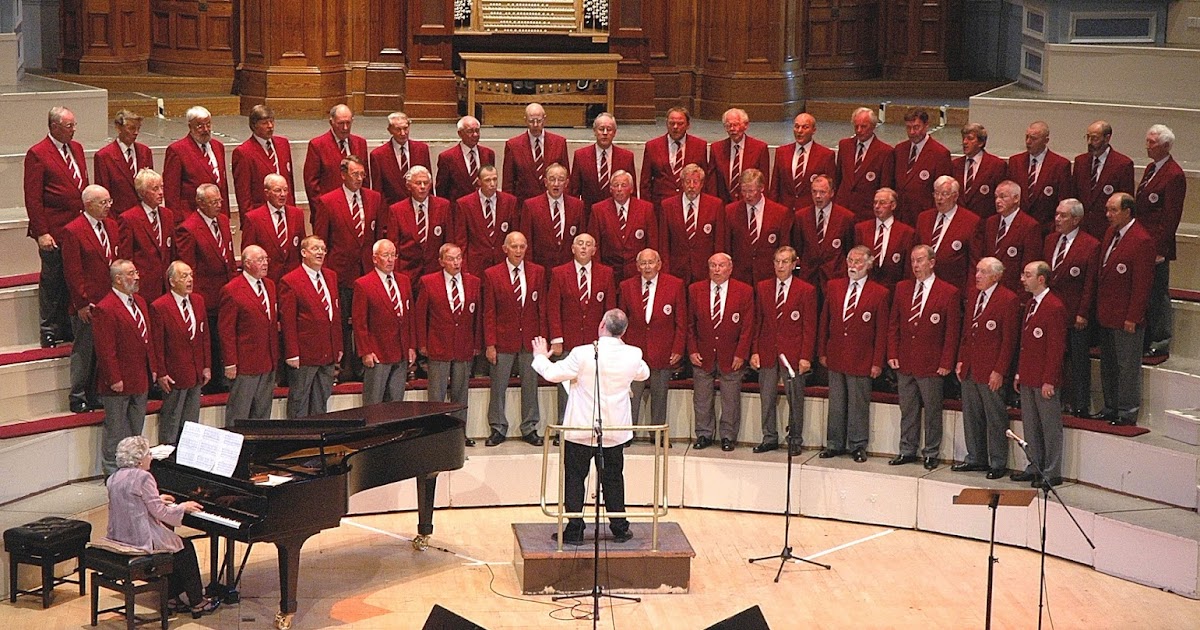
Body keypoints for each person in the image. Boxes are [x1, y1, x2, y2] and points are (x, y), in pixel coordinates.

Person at [531, 309, 649, 545]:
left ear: (602, 325)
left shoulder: (582, 353)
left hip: (581, 429)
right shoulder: (634, 354)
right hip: (613, 431)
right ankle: (619, 528)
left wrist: (541, 357)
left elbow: (552, 374)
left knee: (575, 478)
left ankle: (575, 530)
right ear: (624, 331)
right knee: (613, 479)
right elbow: (643, 373)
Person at [105, 436, 218, 616]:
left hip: (121, 535)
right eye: (149, 454)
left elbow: (132, 502)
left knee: (175, 545)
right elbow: (161, 513)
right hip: (140, 538)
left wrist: (157, 498)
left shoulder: (114, 477)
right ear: (139, 460)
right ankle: (197, 601)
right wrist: (183, 507)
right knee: (184, 548)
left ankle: (172, 598)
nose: (151, 457)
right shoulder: (144, 477)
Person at [886, 245, 961, 470]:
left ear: (932, 262)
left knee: (932, 410)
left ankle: (931, 452)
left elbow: (951, 332)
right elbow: (894, 324)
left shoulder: (948, 292)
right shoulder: (902, 288)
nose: (915, 265)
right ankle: (907, 449)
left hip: (931, 362)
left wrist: (946, 362)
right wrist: (892, 352)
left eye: (920, 260)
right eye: (912, 261)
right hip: (906, 359)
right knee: (907, 409)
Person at [315, 156, 383, 381]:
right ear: (343, 175)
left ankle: (367, 365)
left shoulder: (374, 198)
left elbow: (377, 236)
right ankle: (343, 368)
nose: (359, 178)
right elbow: (322, 240)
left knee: (368, 321)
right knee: (343, 322)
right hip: (341, 273)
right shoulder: (327, 202)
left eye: (362, 174)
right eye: (355, 174)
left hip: (368, 273)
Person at [25, 106, 89, 348]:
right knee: (53, 281)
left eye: (74, 125)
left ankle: (67, 326)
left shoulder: (77, 149)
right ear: (54, 127)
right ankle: (49, 329)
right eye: (69, 126)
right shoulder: (38, 153)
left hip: (77, 228)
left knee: (73, 278)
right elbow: (33, 198)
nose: (74, 130)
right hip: (53, 230)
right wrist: (42, 232)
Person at [818, 246, 889, 462]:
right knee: (836, 403)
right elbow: (825, 321)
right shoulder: (834, 286)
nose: (853, 266)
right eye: (850, 261)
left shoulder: (879, 293)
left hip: (862, 357)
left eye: (858, 262)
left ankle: (857, 445)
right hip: (837, 354)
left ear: (868, 265)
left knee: (858, 403)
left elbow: (881, 331)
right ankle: (834, 443)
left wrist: (877, 362)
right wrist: (822, 350)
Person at [1091, 193, 1154, 426]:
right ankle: (1111, 406)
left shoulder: (1142, 240)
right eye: (1107, 210)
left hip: (1126, 317)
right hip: (1107, 313)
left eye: (1113, 210)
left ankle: (1127, 411)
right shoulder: (1110, 234)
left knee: (1127, 367)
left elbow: (1142, 284)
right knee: (1108, 364)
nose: (1108, 215)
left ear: (1127, 212)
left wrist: (1133, 317)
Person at [953, 257, 1019, 478]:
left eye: (983, 272)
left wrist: (999, 370)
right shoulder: (974, 295)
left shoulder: (1008, 299)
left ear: (996, 276)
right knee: (971, 415)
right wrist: (961, 360)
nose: (977, 276)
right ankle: (976, 457)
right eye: (977, 271)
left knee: (995, 417)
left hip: (991, 369)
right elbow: (966, 331)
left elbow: (1008, 340)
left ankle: (998, 462)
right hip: (971, 366)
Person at [483, 232, 547, 446]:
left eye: (522, 246)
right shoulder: (492, 274)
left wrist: (542, 340)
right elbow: (489, 312)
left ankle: (530, 427)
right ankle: (498, 427)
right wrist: (490, 343)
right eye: (514, 246)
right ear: (505, 249)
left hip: (530, 339)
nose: (518, 251)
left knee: (531, 385)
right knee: (498, 386)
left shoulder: (537, 272)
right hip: (503, 339)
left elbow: (542, 308)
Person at [751, 246, 816, 455]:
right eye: (777, 262)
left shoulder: (806, 290)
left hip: (793, 354)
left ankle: (795, 439)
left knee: (795, 399)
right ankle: (769, 437)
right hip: (768, 350)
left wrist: (805, 356)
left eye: (785, 262)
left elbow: (809, 327)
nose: (780, 266)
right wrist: (755, 351)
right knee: (767, 397)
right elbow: (757, 322)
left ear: (794, 264)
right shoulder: (763, 287)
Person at [61, 185, 120, 414]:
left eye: (109, 201)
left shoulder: (111, 226)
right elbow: (73, 271)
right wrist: (82, 303)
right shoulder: (74, 231)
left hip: (110, 301)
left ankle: (96, 393)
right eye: (103, 202)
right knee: (85, 351)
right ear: (88, 204)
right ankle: (78, 395)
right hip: (88, 302)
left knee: (105, 351)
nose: (108, 206)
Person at [416, 244, 482, 447]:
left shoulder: (473, 282)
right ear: (441, 261)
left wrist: (476, 342)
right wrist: (422, 343)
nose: (456, 262)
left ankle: (459, 435)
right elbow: (421, 315)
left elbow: (478, 317)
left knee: (460, 394)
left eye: (459, 258)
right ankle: (434, 435)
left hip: (463, 345)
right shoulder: (428, 282)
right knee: (437, 394)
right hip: (438, 344)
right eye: (451, 259)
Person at [688, 252, 754, 451]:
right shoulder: (695, 290)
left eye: (721, 265)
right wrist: (692, 350)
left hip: (731, 355)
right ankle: (704, 434)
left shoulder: (744, 291)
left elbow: (747, 327)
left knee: (730, 399)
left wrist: (741, 353)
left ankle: (728, 436)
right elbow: (689, 324)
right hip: (703, 353)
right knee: (701, 398)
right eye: (713, 265)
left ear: (730, 268)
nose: (717, 269)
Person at [547, 233, 616, 424]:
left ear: (594, 250)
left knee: (594, 385)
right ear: (573, 248)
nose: (584, 247)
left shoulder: (606, 273)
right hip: (569, 339)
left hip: (595, 342)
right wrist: (556, 339)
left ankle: (593, 424)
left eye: (588, 244)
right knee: (566, 385)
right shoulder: (559, 273)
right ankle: (565, 426)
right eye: (580, 243)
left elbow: (610, 310)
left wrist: (609, 340)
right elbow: (553, 308)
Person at [1011, 261, 1068, 488]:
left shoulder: (1054, 306)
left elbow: (1056, 348)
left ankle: (1052, 471)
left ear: (1041, 279)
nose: (1022, 279)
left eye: (1027, 275)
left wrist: (1049, 380)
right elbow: (1025, 343)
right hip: (1028, 375)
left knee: (1049, 426)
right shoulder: (1031, 304)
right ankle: (1034, 466)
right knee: (1031, 426)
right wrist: (1019, 373)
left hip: (1044, 379)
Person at [619, 249, 686, 440]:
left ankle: (657, 435)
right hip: (634, 352)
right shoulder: (626, 286)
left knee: (660, 395)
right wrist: (622, 348)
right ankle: (627, 434)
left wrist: (678, 348)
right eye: (643, 263)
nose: (647, 267)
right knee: (631, 395)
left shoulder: (675, 285)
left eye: (651, 262)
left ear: (659, 264)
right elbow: (621, 321)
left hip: (663, 350)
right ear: (637, 266)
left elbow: (681, 322)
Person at [175, 184, 237, 393]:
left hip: (226, 291)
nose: (218, 205)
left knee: (226, 335)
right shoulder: (188, 229)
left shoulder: (224, 221)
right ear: (200, 203)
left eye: (220, 201)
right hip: (206, 295)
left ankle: (226, 376)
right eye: (213, 202)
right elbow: (188, 267)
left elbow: (228, 257)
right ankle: (213, 382)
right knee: (211, 339)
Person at [94, 260, 153, 474]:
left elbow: (147, 339)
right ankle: (111, 472)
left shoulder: (140, 302)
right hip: (118, 381)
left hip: (140, 378)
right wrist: (114, 378)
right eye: (131, 273)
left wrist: (153, 368)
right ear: (118, 278)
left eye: (136, 272)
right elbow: (105, 349)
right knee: (115, 430)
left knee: (135, 429)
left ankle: (133, 470)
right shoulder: (105, 308)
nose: (137, 277)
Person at [1045, 199, 1100, 417]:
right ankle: (1055, 400)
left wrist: (1082, 313)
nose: (1057, 219)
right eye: (1056, 214)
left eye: (1063, 216)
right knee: (1053, 358)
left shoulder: (1090, 244)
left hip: (1074, 312)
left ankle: (1080, 404)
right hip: (1052, 312)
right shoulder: (1050, 240)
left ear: (1076, 220)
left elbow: (1090, 284)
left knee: (1078, 360)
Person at [1137, 124, 1186, 357]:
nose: (1147, 146)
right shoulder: (1151, 169)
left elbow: (1171, 216)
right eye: (1147, 141)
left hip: (1157, 245)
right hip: (1143, 242)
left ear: (1166, 146)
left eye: (1152, 142)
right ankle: (1146, 336)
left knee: (1157, 294)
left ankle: (1160, 339)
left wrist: (1161, 249)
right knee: (1144, 292)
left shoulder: (1174, 174)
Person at [279, 236, 342, 418]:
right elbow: (288, 321)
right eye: (315, 248)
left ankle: (319, 434)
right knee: (299, 401)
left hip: (328, 351)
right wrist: (292, 353)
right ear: (304, 253)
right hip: (305, 354)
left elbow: (335, 313)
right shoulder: (290, 281)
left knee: (321, 401)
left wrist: (338, 346)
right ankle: (297, 435)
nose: (320, 252)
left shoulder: (331, 276)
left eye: (323, 249)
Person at [149, 261, 211, 445]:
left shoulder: (198, 301)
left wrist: (206, 366)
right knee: (172, 420)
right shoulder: (160, 306)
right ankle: (168, 455)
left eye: (191, 275)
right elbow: (158, 344)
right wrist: (161, 372)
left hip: (196, 372)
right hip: (174, 374)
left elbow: (204, 336)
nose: (190, 279)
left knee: (191, 423)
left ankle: (188, 454)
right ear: (172, 281)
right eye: (184, 276)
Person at [219, 245, 279, 425]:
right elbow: (226, 330)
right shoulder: (232, 290)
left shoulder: (270, 285)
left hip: (268, 361)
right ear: (246, 263)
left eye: (266, 259)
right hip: (245, 363)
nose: (265, 263)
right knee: (240, 414)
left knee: (262, 414)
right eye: (260, 260)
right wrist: (230, 362)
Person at [353, 239, 416, 405]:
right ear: (375, 258)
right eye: (386, 255)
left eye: (393, 255)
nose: (390, 259)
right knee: (374, 402)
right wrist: (366, 351)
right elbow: (360, 323)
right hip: (377, 353)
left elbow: (410, 316)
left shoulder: (404, 281)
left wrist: (411, 346)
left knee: (396, 403)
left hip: (401, 351)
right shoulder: (363, 284)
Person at [660, 164, 726, 286]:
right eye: (687, 182)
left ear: (701, 184)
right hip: (677, 269)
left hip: (704, 269)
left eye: (695, 182)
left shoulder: (715, 205)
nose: (691, 186)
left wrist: (717, 268)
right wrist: (666, 270)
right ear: (682, 183)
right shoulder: (667, 206)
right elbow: (664, 243)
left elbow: (719, 242)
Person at [388, 165, 455, 286]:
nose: (423, 187)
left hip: (436, 272)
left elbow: (449, 241)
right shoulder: (397, 210)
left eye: (426, 183)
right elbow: (394, 245)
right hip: (408, 273)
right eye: (418, 183)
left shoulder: (443, 206)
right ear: (409, 186)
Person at [588, 170, 658, 285]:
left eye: (623, 185)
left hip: (637, 273)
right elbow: (595, 246)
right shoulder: (598, 210)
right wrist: (599, 273)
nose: (619, 189)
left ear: (631, 189)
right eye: (616, 185)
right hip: (610, 272)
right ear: (611, 189)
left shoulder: (646, 209)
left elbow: (652, 243)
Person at [915, 176, 982, 295]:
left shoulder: (971, 221)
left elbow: (974, 261)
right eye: (936, 193)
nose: (939, 198)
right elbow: (915, 251)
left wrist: (971, 292)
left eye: (944, 194)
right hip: (924, 284)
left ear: (955, 196)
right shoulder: (924, 218)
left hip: (953, 287)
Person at [305, 104, 369, 226]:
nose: (345, 128)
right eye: (340, 123)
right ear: (331, 122)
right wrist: (323, 210)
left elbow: (365, 179)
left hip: (356, 211)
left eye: (348, 123)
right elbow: (311, 184)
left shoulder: (360, 143)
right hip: (329, 213)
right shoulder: (317, 145)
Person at [726, 169, 792, 286]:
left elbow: (784, 247)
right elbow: (727, 245)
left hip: (768, 276)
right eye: (744, 191)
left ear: (762, 188)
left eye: (751, 191)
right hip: (740, 276)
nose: (747, 195)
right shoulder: (730, 211)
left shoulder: (780, 213)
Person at [239, 173, 307, 287]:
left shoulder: (297, 214)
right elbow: (248, 253)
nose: (283, 194)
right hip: (268, 280)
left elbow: (301, 248)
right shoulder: (253, 218)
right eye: (277, 190)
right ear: (267, 193)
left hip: (293, 280)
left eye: (285, 190)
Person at [118, 169, 174, 304]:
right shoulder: (129, 219)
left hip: (166, 287)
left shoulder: (168, 215)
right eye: (155, 189)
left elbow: (172, 251)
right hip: (144, 287)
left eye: (161, 187)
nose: (161, 192)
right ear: (142, 192)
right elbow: (126, 256)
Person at [163, 106, 229, 219]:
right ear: (190, 126)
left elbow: (223, 183)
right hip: (191, 216)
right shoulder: (177, 150)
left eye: (208, 124)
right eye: (200, 126)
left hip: (217, 215)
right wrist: (177, 221)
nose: (206, 129)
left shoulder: (218, 147)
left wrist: (225, 215)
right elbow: (171, 191)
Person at [792, 174, 854, 294]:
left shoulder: (845, 217)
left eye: (822, 192)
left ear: (832, 193)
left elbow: (848, 248)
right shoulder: (801, 216)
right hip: (809, 277)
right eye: (814, 192)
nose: (818, 196)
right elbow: (798, 247)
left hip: (834, 276)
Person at [1073, 120, 1134, 240]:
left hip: (1107, 229)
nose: (1090, 142)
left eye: (1094, 138)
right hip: (1082, 229)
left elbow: (1125, 200)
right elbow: (1074, 195)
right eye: (1088, 137)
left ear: (1107, 138)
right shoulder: (1080, 161)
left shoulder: (1122, 164)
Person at [892, 108, 953, 226]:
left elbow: (942, 190)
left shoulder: (940, 154)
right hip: (899, 216)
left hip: (924, 217)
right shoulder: (899, 150)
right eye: (908, 127)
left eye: (916, 127)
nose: (912, 132)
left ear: (926, 126)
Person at [231, 105, 296, 214]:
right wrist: (249, 219)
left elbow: (290, 181)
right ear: (254, 125)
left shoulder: (283, 144)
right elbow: (243, 193)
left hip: (286, 210)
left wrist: (292, 211)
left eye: (272, 121)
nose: (270, 126)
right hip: (261, 214)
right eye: (265, 123)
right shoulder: (243, 152)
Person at [520, 163, 586, 271]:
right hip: (541, 269)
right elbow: (527, 242)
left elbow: (581, 239)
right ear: (545, 182)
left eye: (560, 180)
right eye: (552, 179)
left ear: (566, 183)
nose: (556, 184)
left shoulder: (577, 206)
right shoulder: (531, 206)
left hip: (568, 269)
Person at [458, 164, 519, 279]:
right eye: (487, 180)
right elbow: (462, 241)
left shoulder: (510, 201)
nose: (492, 184)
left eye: (495, 179)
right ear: (479, 182)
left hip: (502, 264)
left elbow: (514, 235)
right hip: (476, 266)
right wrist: (464, 269)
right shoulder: (465, 204)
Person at [1008, 121, 1071, 231]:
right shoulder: (1015, 161)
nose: (1028, 142)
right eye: (1027, 137)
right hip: (1018, 227)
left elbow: (1064, 201)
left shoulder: (1060, 165)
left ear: (1046, 141)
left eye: (1033, 138)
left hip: (1046, 228)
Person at [641, 106, 708, 207]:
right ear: (666, 124)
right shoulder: (652, 146)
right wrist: (647, 209)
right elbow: (645, 183)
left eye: (680, 123)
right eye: (672, 123)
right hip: (660, 205)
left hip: (689, 204)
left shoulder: (699, 146)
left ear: (688, 125)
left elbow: (705, 180)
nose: (675, 127)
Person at [985, 180, 1043, 297]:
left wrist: (1021, 296)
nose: (998, 201)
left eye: (1003, 197)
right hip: (989, 288)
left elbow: (1028, 264)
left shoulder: (1029, 226)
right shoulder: (991, 222)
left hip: (1013, 291)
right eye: (996, 197)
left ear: (1016, 198)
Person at [835, 107, 894, 221]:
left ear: (873, 126)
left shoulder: (885, 152)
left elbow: (885, 187)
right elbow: (838, 177)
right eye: (856, 126)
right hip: (842, 209)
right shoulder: (844, 145)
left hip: (867, 213)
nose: (859, 130)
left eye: (863, 126)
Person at [503, 102, 570, 202]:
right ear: (525, 120)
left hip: (552, 202)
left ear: (544, 119)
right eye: (531, 121)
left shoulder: (559, 143)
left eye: (538, 121)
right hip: (524, 204)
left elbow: (566, 177)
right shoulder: (513, 145)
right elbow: (508, 183)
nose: (535, 125)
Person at [569, 112, 636, 210]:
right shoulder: (581, 156)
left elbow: (632, 192)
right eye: (601, 129)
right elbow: (574, 191)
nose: (605, 133)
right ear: (594, 131)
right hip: (589, 213)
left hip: (616, 213)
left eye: (609, 129)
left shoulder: (626, 157)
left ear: (614, 133)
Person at [771, 112, 837, 211]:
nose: (799, 131)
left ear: (814, 130)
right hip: (785, 211)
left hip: (810, 213)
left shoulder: (826, 155)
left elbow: (830, 189)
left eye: (805, 127)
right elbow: (775, 187)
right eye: (796, 127)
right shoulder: (782, 152)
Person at [94, 109, 153, 218]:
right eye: (131, 128)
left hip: (143, 216)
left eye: (138, 128)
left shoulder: (145, 152)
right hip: (118, 217)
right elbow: (103, 194)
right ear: (118, 128)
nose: (136, 132)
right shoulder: (104, 156)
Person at [854, 187, 914, 293]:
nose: (877, 206)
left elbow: (907, 268)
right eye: (875, 203)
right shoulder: (861, 229)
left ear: (893, 205)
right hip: (865, 289)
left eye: (882, 203)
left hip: (893, 290)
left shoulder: (906, 232)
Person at [369, 112, 432, 207]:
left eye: (405, 128)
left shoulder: (422, 150)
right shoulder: (378, 155)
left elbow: (428, 183)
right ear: (390, 130)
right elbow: (378, 190)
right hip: (392, 210)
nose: (403, 133)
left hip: (419, 207)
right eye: (398, 129)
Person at [708, 108, 771, 204]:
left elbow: (763, 181)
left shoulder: (760, 148)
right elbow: (712, 183)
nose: (732, 129)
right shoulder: (716, 148)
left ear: (746, 125)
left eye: (736, 125)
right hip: (723, 205)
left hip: (750, 204)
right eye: (728, 125)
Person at [952, 123, 1007, 221]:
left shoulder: (996, 165)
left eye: (970, 138)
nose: (964, 142)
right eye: (963, 138)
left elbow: (1001, 198)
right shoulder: (955, 165)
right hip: (958, 222)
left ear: (981, 143)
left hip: (984, 223)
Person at [436, 116, 495, 205]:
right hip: (458, 209)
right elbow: (442, 190)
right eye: (470, 131)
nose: (475, 135)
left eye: (477, 131)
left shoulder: (488, 154)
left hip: (483, 207)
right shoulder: (447, 157)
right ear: (460, 133)